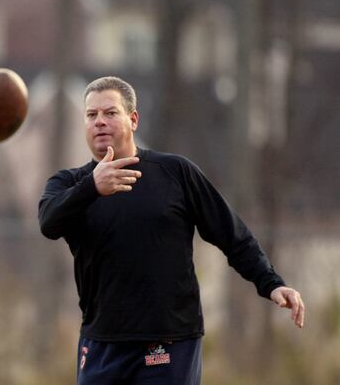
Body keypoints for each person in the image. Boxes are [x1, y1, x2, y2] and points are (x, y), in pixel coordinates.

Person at [37, 76, 304, 384]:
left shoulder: (176, 173)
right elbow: (48, 222)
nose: (99, 122)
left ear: (133, 119)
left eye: (110, 113)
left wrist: (270, 283)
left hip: (170, 342)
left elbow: (231, 234)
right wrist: (92, 187)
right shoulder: (70, 184)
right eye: (91, 115)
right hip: (102, 343)